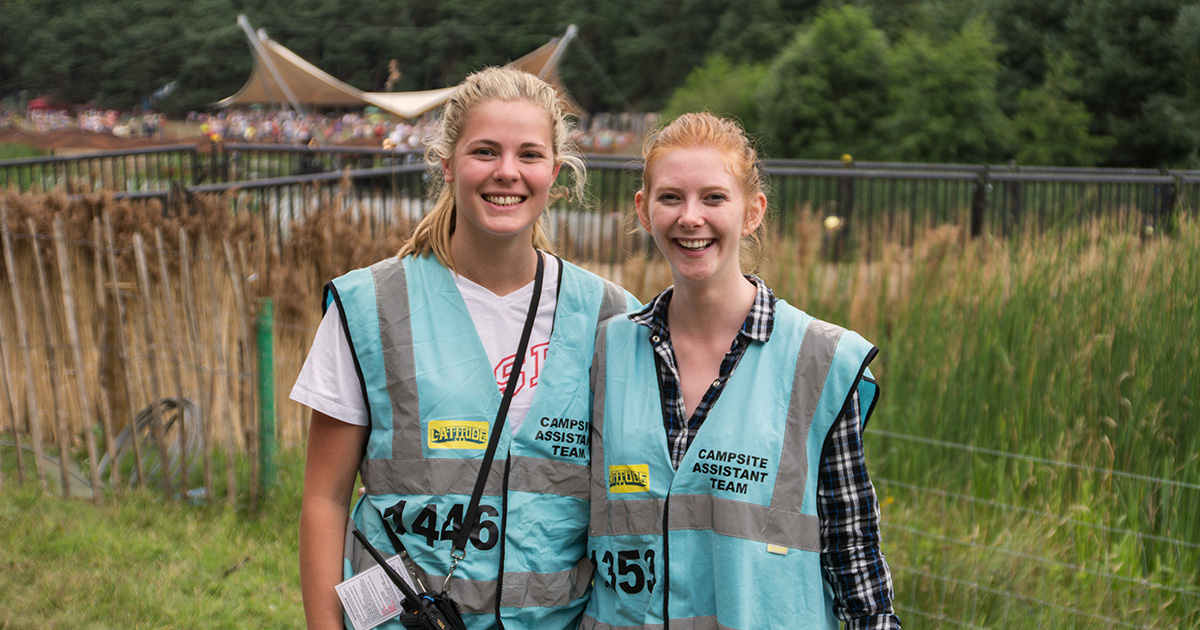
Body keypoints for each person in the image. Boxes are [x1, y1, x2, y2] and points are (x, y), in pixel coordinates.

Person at [293, 66, 637, 630]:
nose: (507, 172)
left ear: (556, 170)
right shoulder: (369, 306)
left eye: (529, 154)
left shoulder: (611, 317)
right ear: (447, 164)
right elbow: (325, 500)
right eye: (485, 151)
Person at [582, 112, 900, 629]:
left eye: (713, 198)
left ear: (753, 211)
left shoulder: (818, 360)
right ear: (643, 210)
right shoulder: (606, 351)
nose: (690, 217)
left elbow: (854, 556)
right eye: (670, 198)